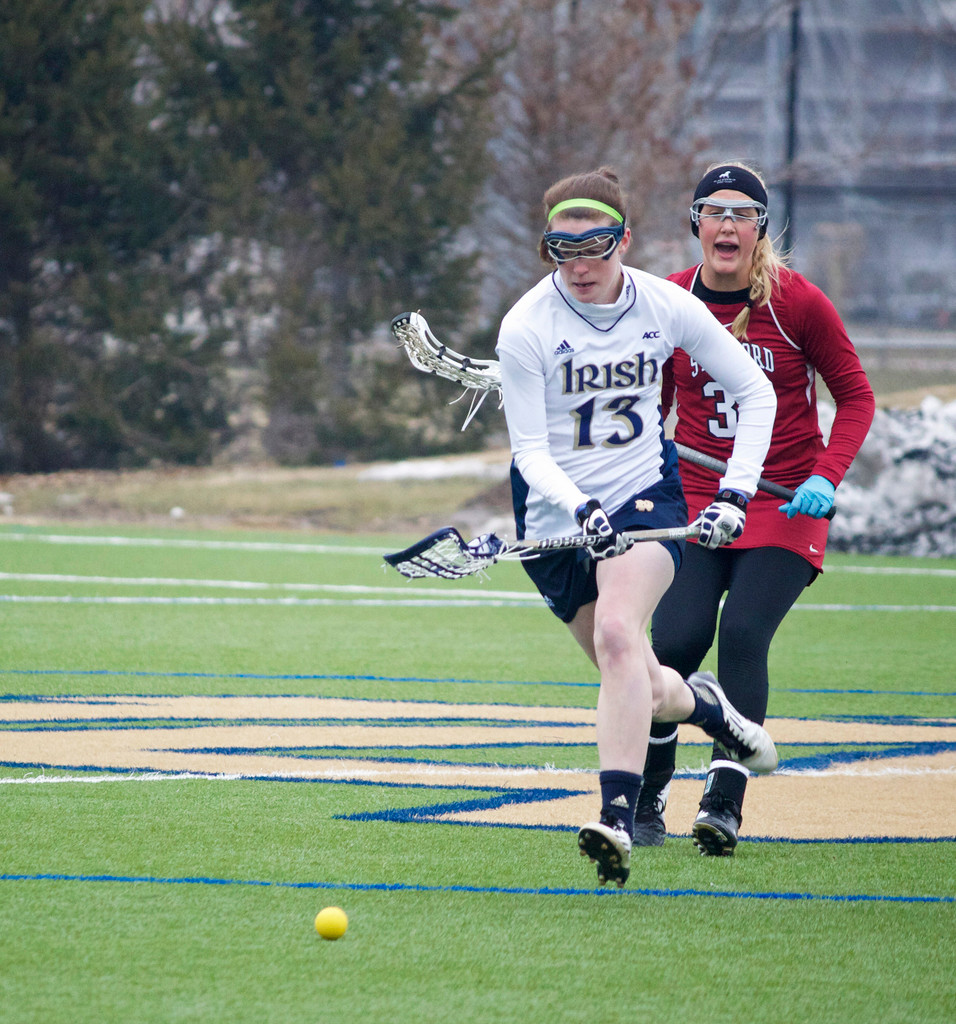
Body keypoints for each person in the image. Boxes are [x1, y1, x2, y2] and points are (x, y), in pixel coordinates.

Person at [495, 167, 780, 888]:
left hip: (644, 499)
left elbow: (755, 392)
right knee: (641, 684)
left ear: (624, 237)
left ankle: (616, 818)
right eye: (563, 250)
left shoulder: (664, 305)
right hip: (555, 516)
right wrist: (581, 512)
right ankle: (710, 708)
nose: (580, 266)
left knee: (623, 636)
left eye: (594, 246)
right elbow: (529, 451)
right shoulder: (526, 327)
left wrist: (736, 493)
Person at [634, 162, 876, 855]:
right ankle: (650, 791)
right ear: (696, 224)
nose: (727, 224)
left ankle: (723, 802)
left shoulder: (798, 303)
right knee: (674, 644)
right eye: (714, 211)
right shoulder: (670, 301)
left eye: (742, 213)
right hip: (699, 501)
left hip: (783, 502)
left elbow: (856, 398)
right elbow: (650, 406)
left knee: (741, 633)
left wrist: (827, 476)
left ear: (761, 228)